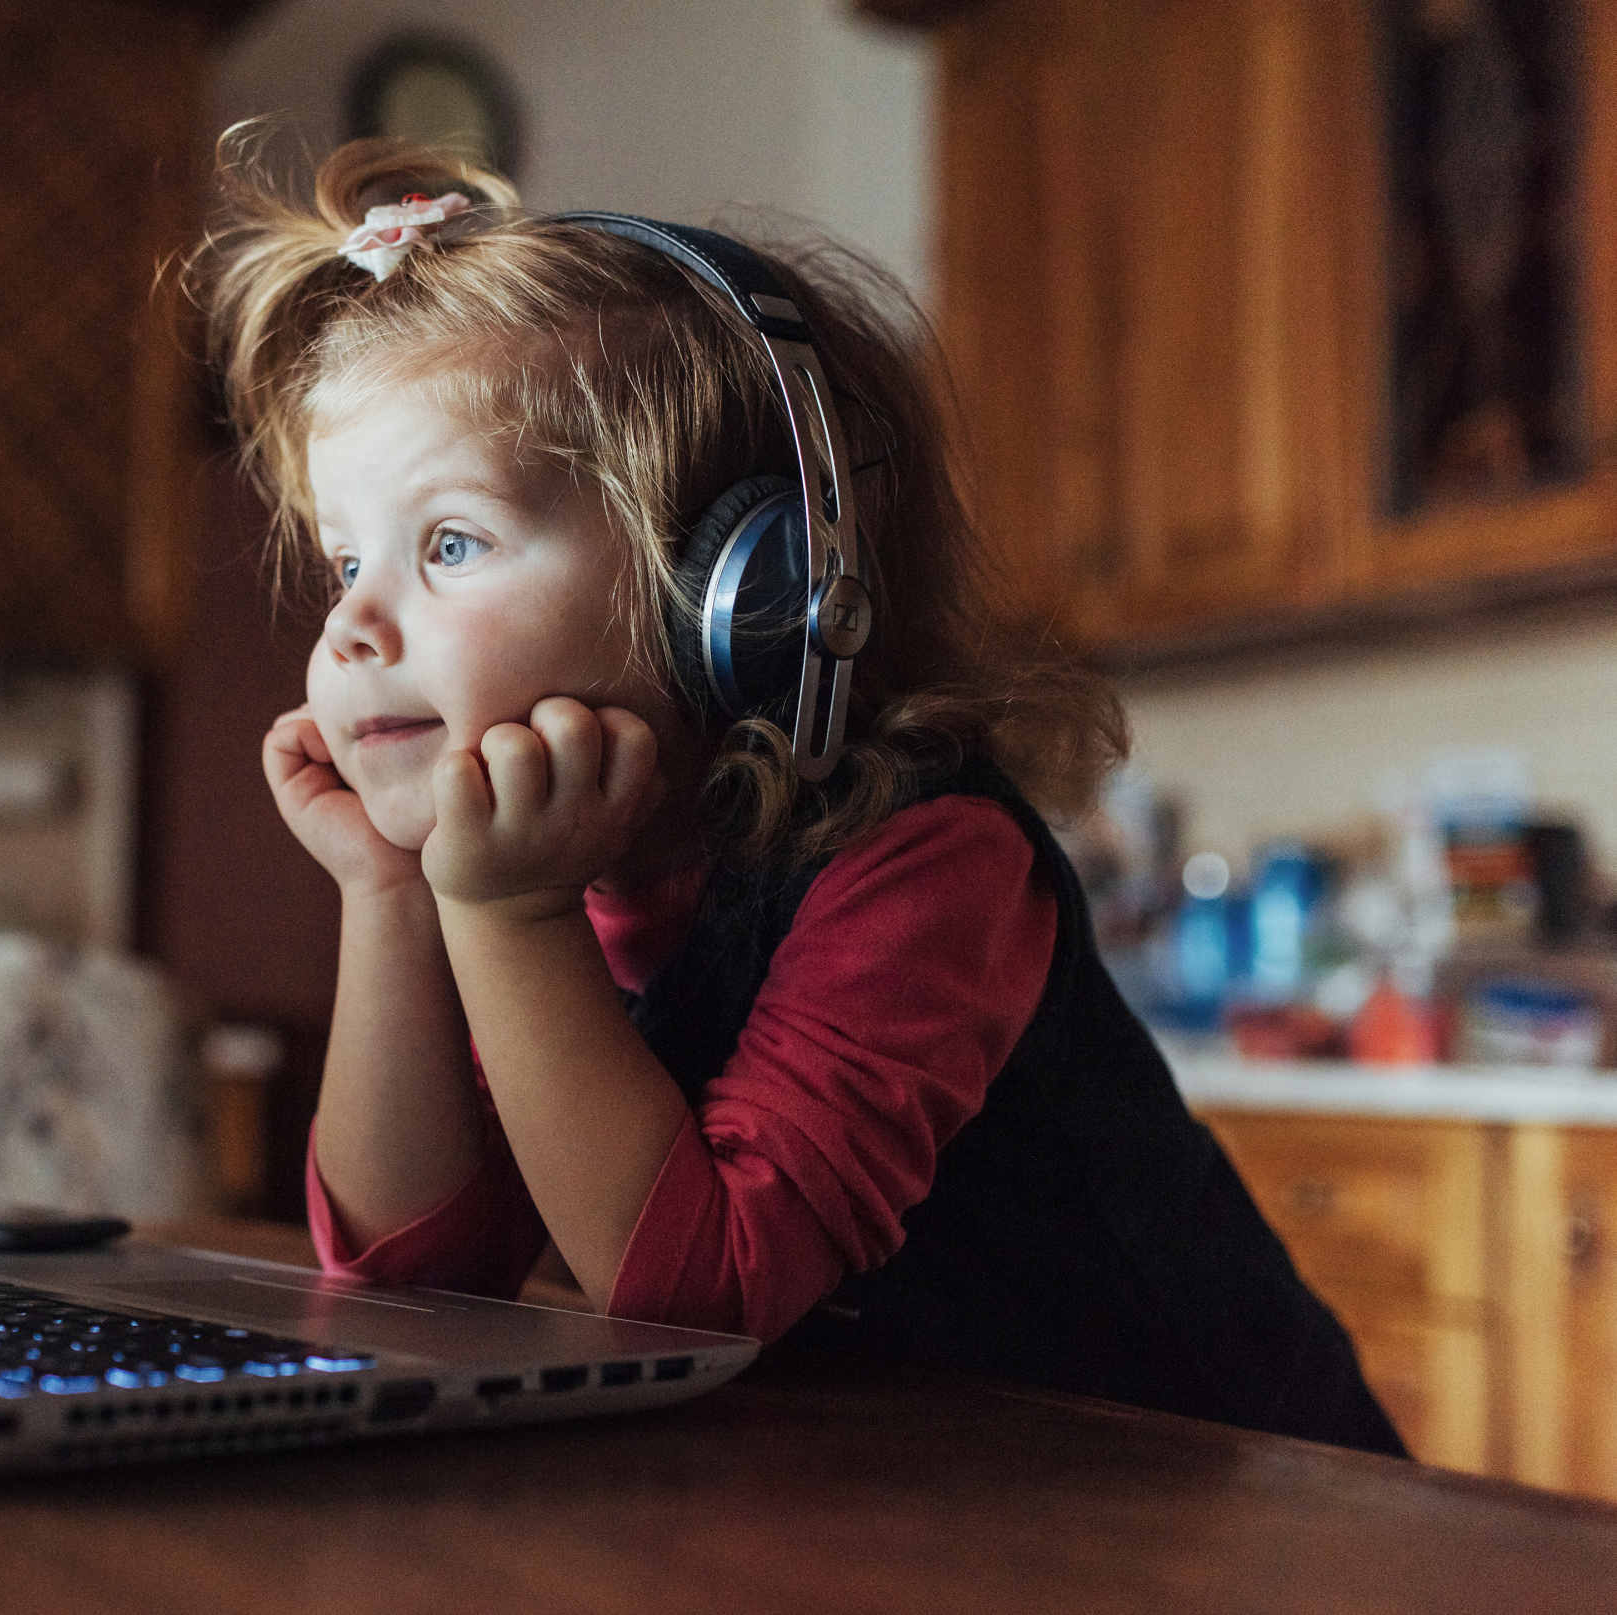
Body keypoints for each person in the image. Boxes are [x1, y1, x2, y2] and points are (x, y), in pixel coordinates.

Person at [192, 130, 1404, 1456]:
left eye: (453, 543)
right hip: (914, 1506)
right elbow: (412, 1284)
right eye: (346, 559)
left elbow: (694, 1303)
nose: (353, 628)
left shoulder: (931, 861)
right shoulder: (560, 872)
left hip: (1211, 1501)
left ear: (745, 595)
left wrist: (507, 917)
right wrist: (395, 897)